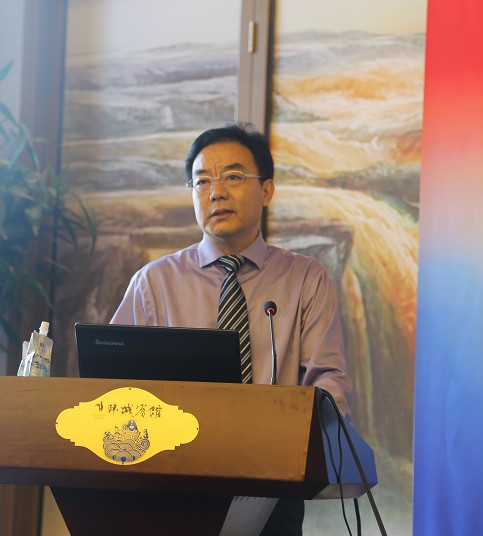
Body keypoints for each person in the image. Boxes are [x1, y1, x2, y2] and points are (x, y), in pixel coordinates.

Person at [111, 122, 352, 535]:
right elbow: (113, 384)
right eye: (202, 181)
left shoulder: (305, 279)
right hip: (172, 485)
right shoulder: (153, 284)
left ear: (267, 190)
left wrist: (296, 434)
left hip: (272, 486)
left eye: (233, 177)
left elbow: (329, 383)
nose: (216, 192)